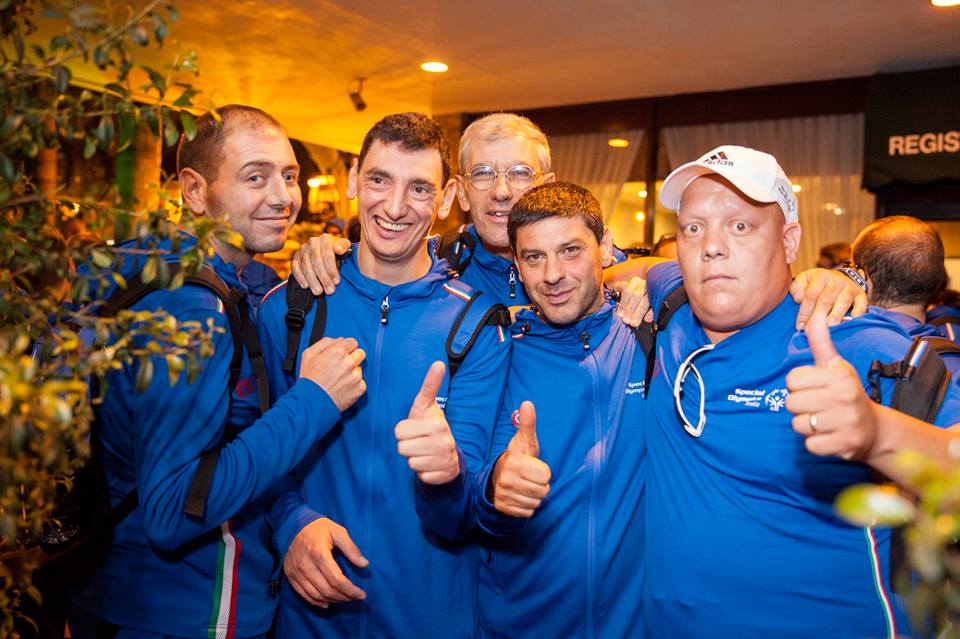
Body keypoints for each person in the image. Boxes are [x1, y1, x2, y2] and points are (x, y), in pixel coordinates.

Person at [67, 105, 367, 639]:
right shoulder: (192, 308)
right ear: (196, 190)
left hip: (119, 592)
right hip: (184, 611)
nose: (283, 196)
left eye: (290, 175)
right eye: (255, 177)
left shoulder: (162, 265)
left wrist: (323, 254)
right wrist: (314, 400)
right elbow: (172, 508)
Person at [641, 144, 960, 638]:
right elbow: (634, 269)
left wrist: (877, 434)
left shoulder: (852, 339)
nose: (711, 246)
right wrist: (626, 279)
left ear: (789, 242)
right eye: (693, 228)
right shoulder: (672, 307)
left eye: (740, 226)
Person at [257, 113, 510, 638]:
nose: (395, 207)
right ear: (353, 179)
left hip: (432, 621)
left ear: (446, 199)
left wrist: (446, 475)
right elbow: (258, 454)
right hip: (311, 617)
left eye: (419, 188)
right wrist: (291, 523)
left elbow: (461, 517)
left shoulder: (477, 324)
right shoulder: (289, 308)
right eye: (379, 179)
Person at [475, 182, 649, 637]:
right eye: (534, 257)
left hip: (635, 624)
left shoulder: (649, 334)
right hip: (518, 625)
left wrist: (829, 278)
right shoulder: (497, 349)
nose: (552, 275)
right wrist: (494, 487)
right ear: (517, 266)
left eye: (571, 251)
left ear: (605, 247)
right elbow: (461, 498)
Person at [291, 112, 555, 304]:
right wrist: (329, 253)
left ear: (547, 187)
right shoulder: (438, 259)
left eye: (520, 173)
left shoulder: (570, 273)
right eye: (482, 173)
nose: (501, 192)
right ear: (461, 193)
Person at [851, 215, 960, 373]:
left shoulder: (833, 342)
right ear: (937, 279)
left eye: (851, 268)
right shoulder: (949, 361)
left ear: (863, 279)